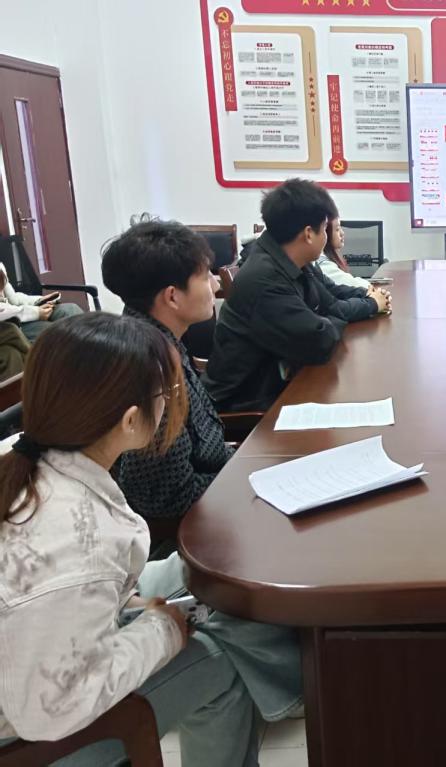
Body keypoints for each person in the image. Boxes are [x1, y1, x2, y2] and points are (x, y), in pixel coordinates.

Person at [0, 313, 301, 766]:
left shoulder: (28, 456)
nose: (172, 403)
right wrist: (160, 632)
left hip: (54, 636)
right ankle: (308, 680)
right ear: (129, 420)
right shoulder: (76, 542)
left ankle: (299, 678)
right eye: (168, 393)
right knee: (220, 661)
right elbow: (54, 706)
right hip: (38, 732)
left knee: (222, 566)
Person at [203, 179, 389, 412]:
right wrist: (337, 316)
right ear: (309, 234)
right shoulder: (264, 279)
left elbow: (330, 301)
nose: (326, 237)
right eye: (325, 229)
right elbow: (320, 341)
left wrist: (365, 301)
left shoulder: (293, 259)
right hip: (247, 403)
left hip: (282, 380)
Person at [101, 221, 232, 530]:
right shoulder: (149, 368)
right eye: (206, 276)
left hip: (221, 481)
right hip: (191, 528)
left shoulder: (161, 339)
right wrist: (242, 480)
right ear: (172, 297)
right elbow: (170, 499)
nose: (216, 285)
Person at [0, 260, 83, 342]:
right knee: (53, 331)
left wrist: (40, 300)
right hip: (7, 324)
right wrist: (36, 313)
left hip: (20, 313)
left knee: (71, 309)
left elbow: (13, 299)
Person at [315, 217, 372, 290]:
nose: (342, 233)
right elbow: (355, 285)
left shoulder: (328, 258)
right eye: (337, 229)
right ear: (325, 232)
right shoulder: (323, 264)